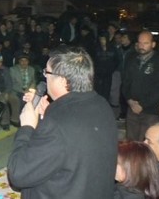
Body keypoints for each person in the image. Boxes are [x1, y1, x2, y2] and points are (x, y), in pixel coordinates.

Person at [7, 46, 118, 199]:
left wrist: (27, 126)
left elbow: (17, 174)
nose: (45, 77)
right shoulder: (101, 104)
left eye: (47, 72)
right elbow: (72, 146)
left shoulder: (57, 125)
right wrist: (49, 113)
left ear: (63, 80)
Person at [122, 31, 159, 141]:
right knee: (131, 143)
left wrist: (142, 105)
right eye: (140, 43)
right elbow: (125, 82)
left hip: (151, 111)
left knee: (146, 144)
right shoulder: (132, 59)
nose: (141, 46)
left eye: (145, 43)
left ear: (153, 44)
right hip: (132, 109)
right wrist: (129, 100)